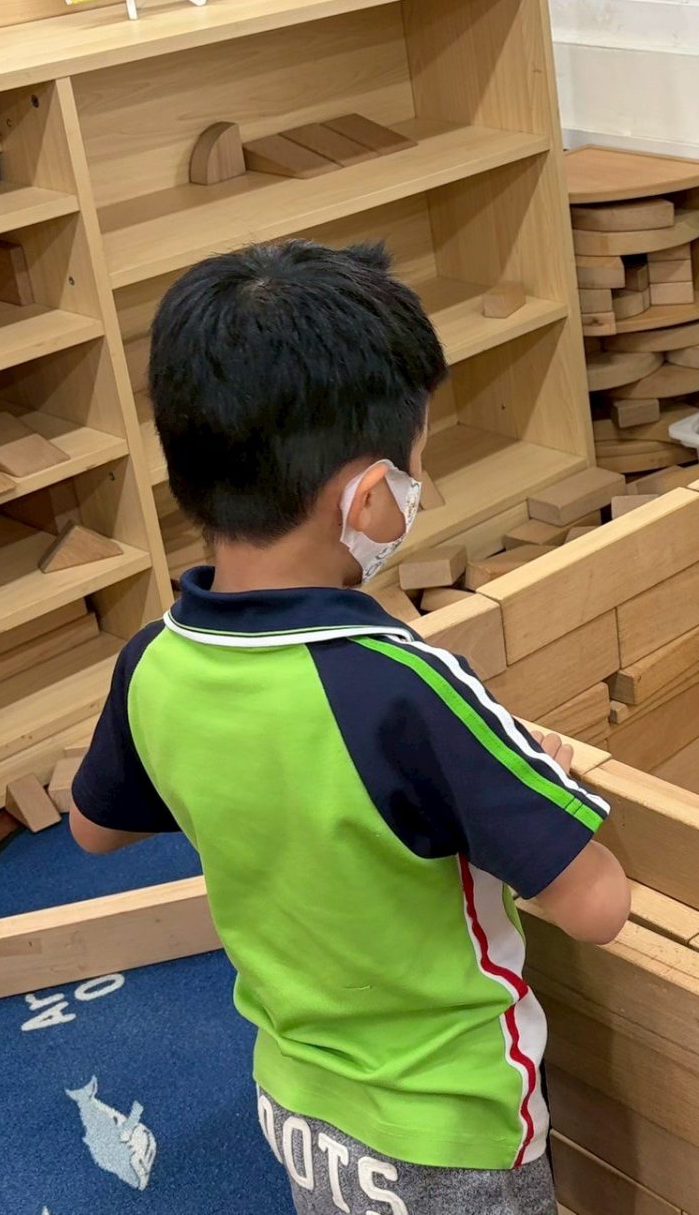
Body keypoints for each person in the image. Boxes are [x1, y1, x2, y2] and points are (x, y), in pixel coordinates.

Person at [67, 240, 629, 1215]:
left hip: (297, 1101)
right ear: (368, 499)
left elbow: (94, 829)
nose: (422, 487)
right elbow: (597, 905)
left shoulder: (153, 663)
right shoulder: (405, 690)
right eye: (418, 466)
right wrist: (522, 772)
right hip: (447, 1132)